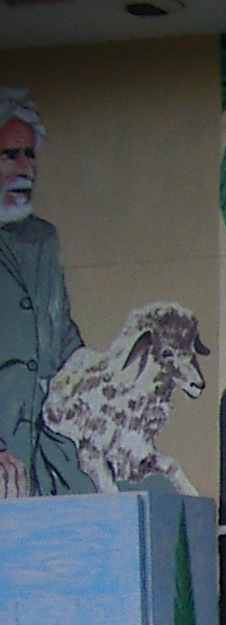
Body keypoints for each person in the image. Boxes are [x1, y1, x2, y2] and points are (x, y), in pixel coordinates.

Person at [0, 88, 90, 499]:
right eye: (12, 155)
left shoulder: (42, 239)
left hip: (48, 442)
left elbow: (63, 333)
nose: (27, 170)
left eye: (30, 155)